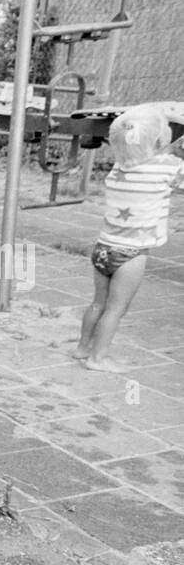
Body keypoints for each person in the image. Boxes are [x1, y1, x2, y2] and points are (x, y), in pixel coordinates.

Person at [75, 104, 184, 372]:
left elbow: (143, 152)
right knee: (116, 309)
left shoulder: (118, 168)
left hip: (103, 249)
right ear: (160, 141)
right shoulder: (168, 168)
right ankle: (97, 359)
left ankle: (82, 348)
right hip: (131, 255)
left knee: (98, 303)